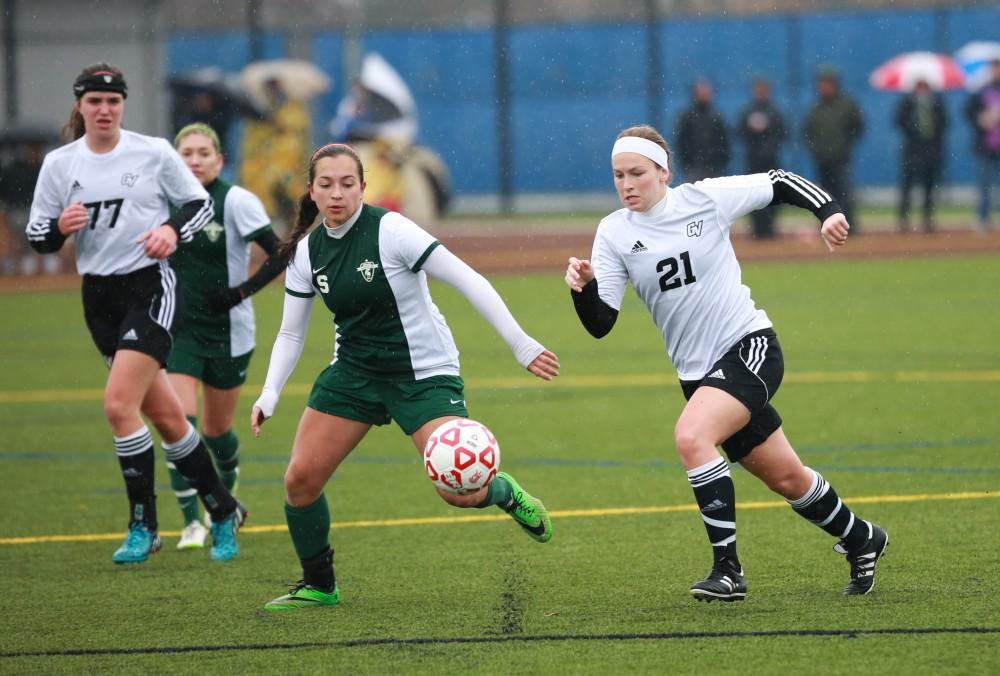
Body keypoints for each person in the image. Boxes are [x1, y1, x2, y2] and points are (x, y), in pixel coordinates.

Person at [564, 125, 888, 602]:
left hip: (749, 348)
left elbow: (779, 180)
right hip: (698, 378)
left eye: (637, 173)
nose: (627, 184)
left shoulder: (704, 199)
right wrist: (583, 289)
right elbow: (599, 323)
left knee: (691, 437)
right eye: (618, 175)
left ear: (663, 172)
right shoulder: (613, 233)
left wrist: (829, 211)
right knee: (787, 478)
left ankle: (728, 571)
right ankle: (863, 539)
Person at [250, 143, 560, 611]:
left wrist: (520, 343)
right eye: (327, 184)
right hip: (354, 372)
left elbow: (466, 277)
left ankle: (503, 491)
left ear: (363, 186)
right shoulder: (306, 252)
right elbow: (291, 334)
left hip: (423, 372)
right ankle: (319, 584)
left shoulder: (390, 230)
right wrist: (270, 392)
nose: (337, 194)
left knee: (459, 491)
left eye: (347, 184)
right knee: (300, 481)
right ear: (311, 191)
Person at [25, 63, 246, 564]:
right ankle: (223, 507)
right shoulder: (61, 164)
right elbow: (38, 238)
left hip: (151, 287)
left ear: (123, 105)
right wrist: (60, 226)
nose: (104, 110)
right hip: (99, 299)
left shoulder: (152, 152)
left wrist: (171, 230)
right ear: (80, 106)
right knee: (167, 418)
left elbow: (198, 205)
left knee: (117, 405)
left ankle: (142, 526)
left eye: (113, 101)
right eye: (95, 101)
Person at [166, 123, 284, 549]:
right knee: (179, 423)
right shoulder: (163, 200)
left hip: (230, 333)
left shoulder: (235, 201)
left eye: (203, 153)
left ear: (219, 160)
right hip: (176, 330)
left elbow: (280, 251)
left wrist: (239, 293)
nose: (194, 161)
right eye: (186, 153)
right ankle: (192, 523)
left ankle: (226, 505)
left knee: (217, 433)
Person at [804, 67, 864, 231]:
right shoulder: (816, 107)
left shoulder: (846, 105)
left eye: (827, 83)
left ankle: (849, 226)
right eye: (821, 83)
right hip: (822, 159)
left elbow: (858, 127)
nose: (823, 87)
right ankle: (827, 225)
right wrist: (814, 148)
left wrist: (844, 145)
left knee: (843, 191)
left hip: (840, 157)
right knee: (824, 195)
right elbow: (807, 131)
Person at [895, 80, 948, 232]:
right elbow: (899, 121)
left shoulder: (937, 103)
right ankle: (903, 220)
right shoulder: (907, 103)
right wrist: (913, 122)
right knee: (907, 187)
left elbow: (944, 123)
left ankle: (927, 220)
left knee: (929, 187)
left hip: (931, 152)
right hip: (912, 152)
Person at [738, 78, 787, 239]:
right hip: (753, 162)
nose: (760, 93)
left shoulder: (774, 111)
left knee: (772, 195)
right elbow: (740, 132)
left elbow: (783, 133)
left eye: (763, 89)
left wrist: (770, 145)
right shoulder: (748, 111)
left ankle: (769, 228)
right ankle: (757, 229)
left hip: (770, 162)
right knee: (753, 196)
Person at [966, 58, 1000, 232]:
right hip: (986, 144)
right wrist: (981, 119)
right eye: (994, 68)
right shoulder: (981, 90)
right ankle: (983, 218)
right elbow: (969, 113)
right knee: (985, 184)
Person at [674, 79, 730, 183]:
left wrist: (720, 162)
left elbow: (724, 142)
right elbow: (681, 141)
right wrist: (688, 163)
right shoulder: (687, 116)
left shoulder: (716, 116)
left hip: (714, 167)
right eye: (702, 91)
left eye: (707, 92)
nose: (705, 94)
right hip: (694, 167)